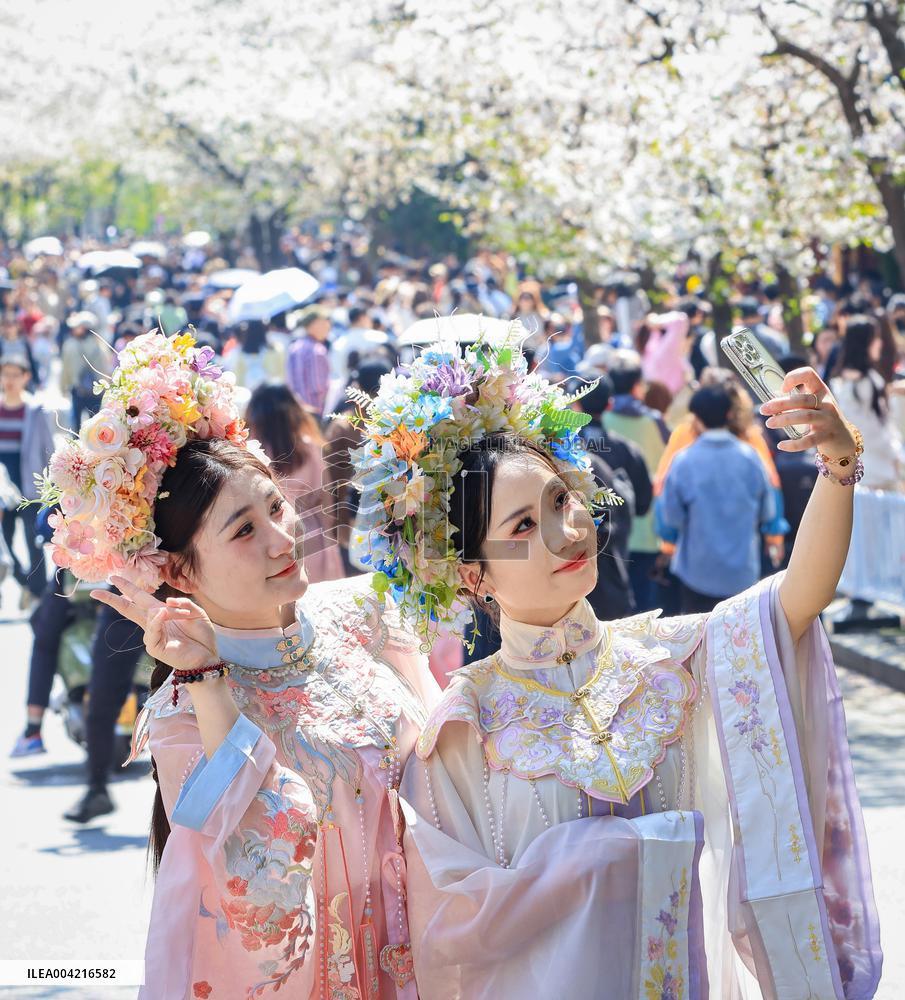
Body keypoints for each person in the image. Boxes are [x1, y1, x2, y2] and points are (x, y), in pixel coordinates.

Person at [349, 333, 881, 998]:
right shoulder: (459, 733)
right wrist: (603, 856)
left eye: (560, 499)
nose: (565, 529)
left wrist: (837, 465)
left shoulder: (671, 657)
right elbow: (451, 927)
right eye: (519, 526)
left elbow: (797, 600)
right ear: (471, 574)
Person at [39, 329, 438, 998]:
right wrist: (203, 678)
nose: (285, 539)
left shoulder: (366, 613)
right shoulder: (182, 716)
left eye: (276, 508)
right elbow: (258, 886)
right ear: (176, 571)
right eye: (244, 530)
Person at [658, 385, 775, 613]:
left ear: (697, 418)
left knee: (701, 640)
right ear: (729, 414)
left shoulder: (684, 461)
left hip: (697, 570)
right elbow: (767, 512)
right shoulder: (750, 457)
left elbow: (671, 518)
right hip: (742, 571)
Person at [246, 382, 345, 584]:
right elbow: (326, 499)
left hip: (275, 537)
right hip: (313, 533)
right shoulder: (309, 447)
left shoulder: (252, 455)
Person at [604, 348, 668, 610]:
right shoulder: (655, 422)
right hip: (646, 531)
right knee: (645, 608)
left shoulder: (599, 421)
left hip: (608, 532)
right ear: (636, 385)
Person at [0, 349, 55, 607]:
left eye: (14, 375)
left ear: (25, 377)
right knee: (5, 541)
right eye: (4, 374)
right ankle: (28, 584)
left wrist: (53, 486)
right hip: (2, 486)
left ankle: (39, 597)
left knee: (34, 543)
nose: (9, 380)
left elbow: (48, 450)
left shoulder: (35, 409)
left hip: (30, 484)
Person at [829, 314, 904, 490]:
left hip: (857, 470)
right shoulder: (868, 382)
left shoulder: (840, 381)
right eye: (875, 338)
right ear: (865, 342)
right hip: (879, 472)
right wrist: (897, 455)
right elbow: (876, 430)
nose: (880, 343)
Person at [60, 310, 110, 429]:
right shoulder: (100, 345)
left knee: (76, 425)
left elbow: (65, 369)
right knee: (95, 425)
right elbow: (105, 369)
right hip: (96, 391)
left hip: (78, 389)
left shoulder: (70, 344)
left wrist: (63, 387)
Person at [287, 304, 332, 416]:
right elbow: (318, 386)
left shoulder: (295, 346)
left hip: (296, 409)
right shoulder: (316, 350)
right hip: (314, 410)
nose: (328, 326)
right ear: (314, 325)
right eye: (324, 323)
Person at [221, 319, 285, 392]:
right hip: (271, 391)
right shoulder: (275, 350)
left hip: (248, 393)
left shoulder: (241, 354)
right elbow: (282, 373)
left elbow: (238, 380)